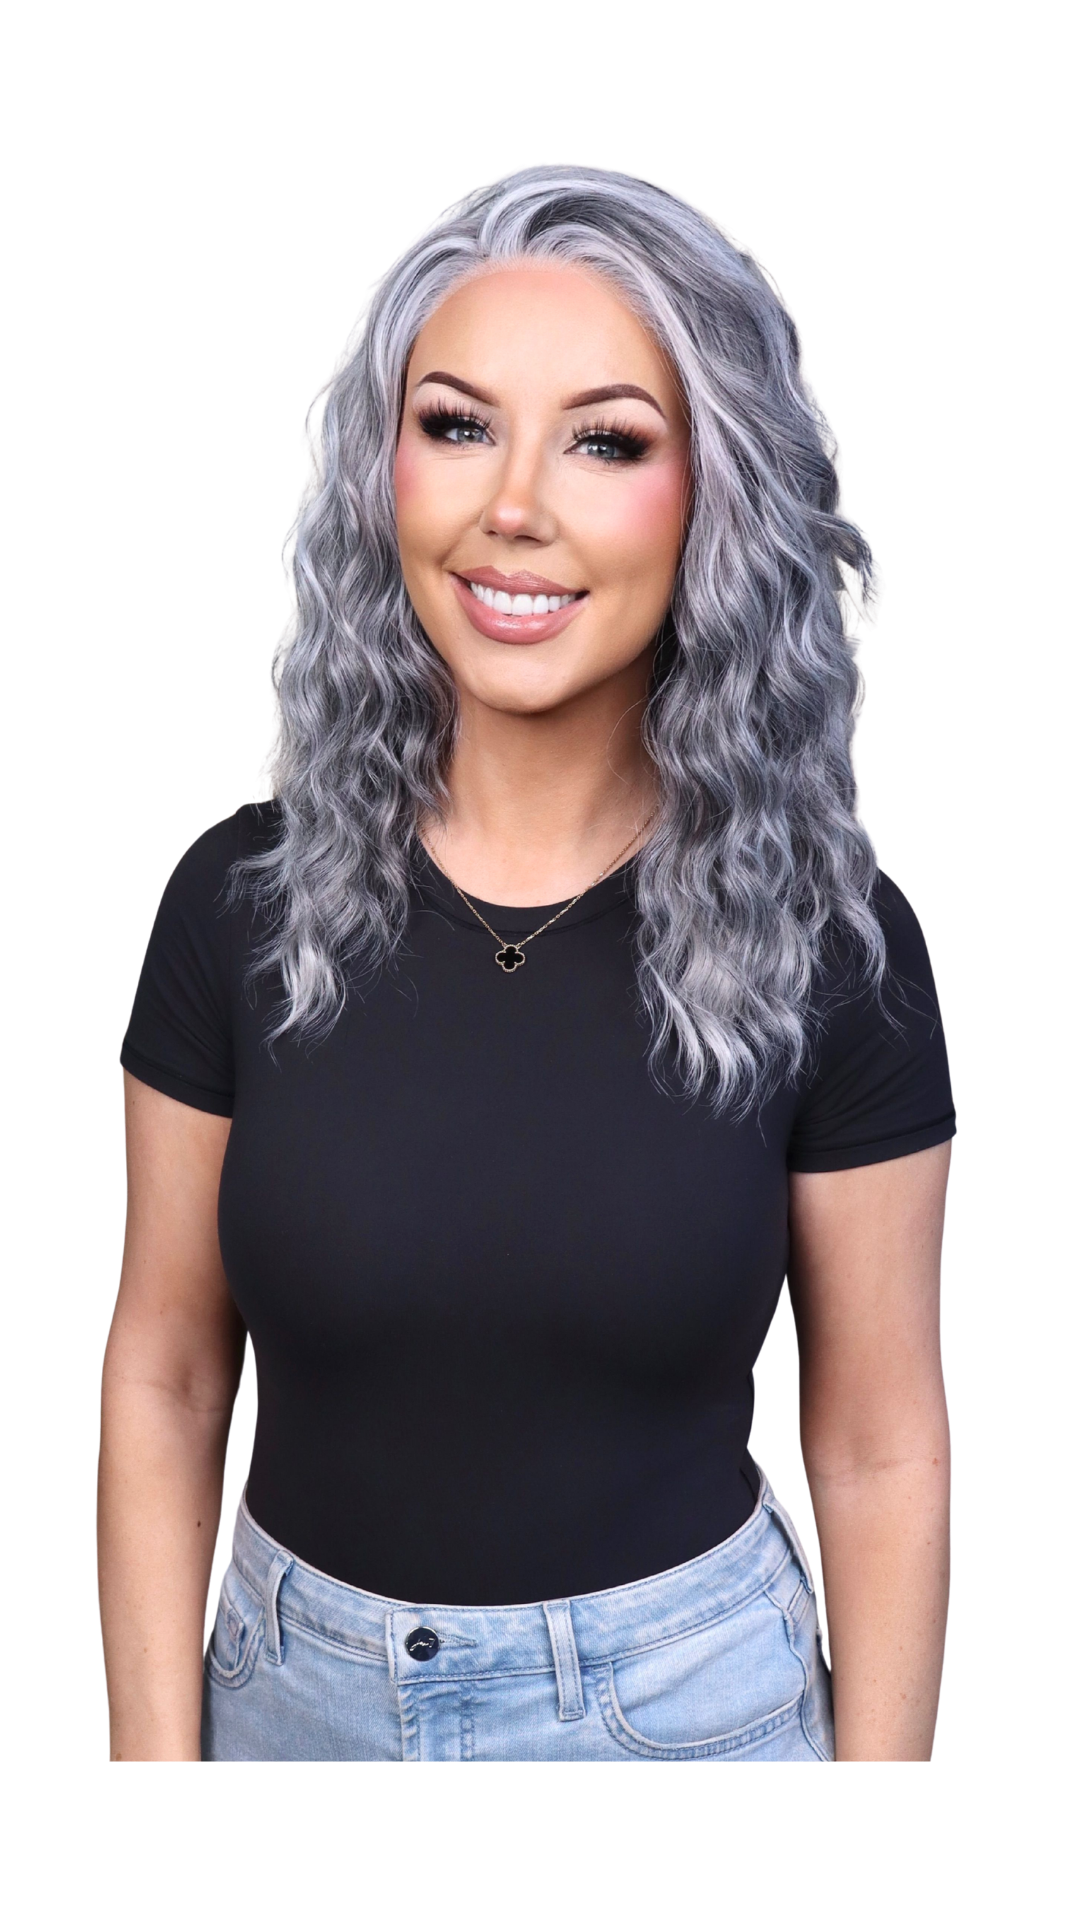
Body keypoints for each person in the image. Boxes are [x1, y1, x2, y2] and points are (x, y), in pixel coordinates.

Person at [99, 163, 955, 1762]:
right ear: (383, 472)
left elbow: (880, 1438)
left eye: (605, 440)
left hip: (685, 1708)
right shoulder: (234, 903)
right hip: (288, 1697)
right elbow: (166, 1372)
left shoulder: (833, 942)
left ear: (716, 495)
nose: (513, 505)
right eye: (457, 424)